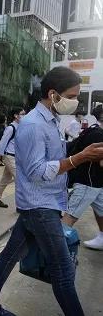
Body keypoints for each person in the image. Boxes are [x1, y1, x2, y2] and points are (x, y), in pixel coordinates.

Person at [0, 66, 103, 316]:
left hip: (43, 203)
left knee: (11, 255)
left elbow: (57, 153)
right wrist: (80, 158)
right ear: (53, 94)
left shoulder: (51, 120)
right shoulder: (33, 124)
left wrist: (84, 149)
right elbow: (37, 170)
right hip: (40, 206)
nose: (75, 102)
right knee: (63, 270)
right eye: (73, 96)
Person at [61, 104, 103, 250]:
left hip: (97, 183)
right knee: (70, 216)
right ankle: (53, 250)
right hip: (88, 182)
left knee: (102, 210)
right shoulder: (98, 134)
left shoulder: (92, 129)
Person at [0, 107, 25, 209]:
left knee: (5, 179)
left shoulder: (21, 127)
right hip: (9, 156)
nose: (24, 116)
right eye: (22, 114)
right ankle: (21, 205)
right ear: (16, 116)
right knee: (20, 180)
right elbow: (2, 143)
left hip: (15, 157)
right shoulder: (11, 128)